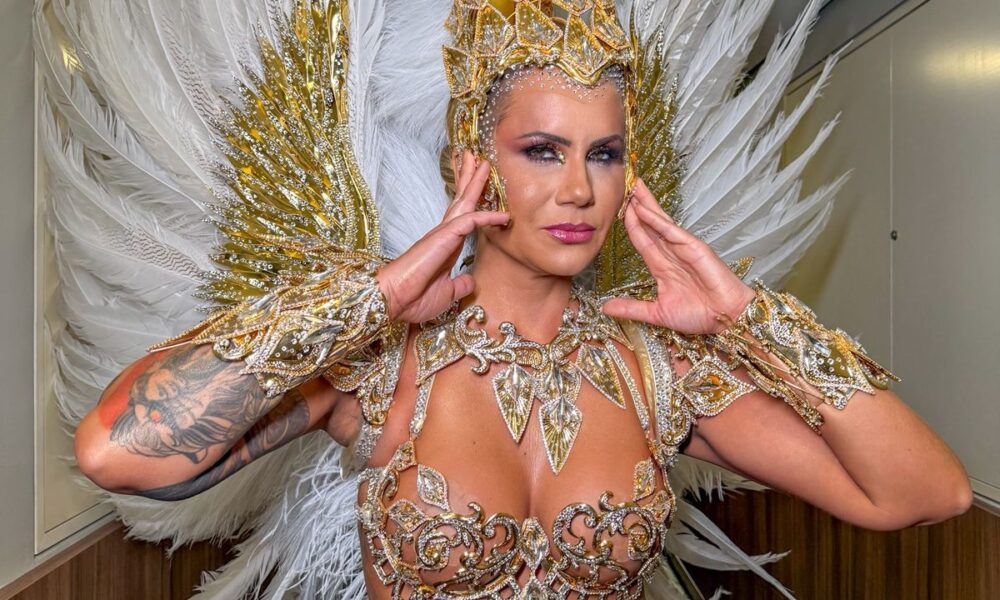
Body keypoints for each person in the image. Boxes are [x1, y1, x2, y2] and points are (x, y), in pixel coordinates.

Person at [67, 1, 971, 598]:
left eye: (604, 155)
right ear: (474, 161)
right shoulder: (377, 366)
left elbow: (923, 493)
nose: (578, 189)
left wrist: (749, 322)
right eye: (542, 150)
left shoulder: (659, 374)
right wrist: (369, 298)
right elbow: (118, 454)